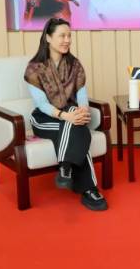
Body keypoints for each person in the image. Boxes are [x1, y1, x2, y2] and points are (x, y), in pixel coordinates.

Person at [24, 17, 108, 211]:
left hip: (70, 114)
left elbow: (82, 95)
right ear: (48, 38)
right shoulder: (34, 68)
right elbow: (42, 104)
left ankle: (66, 169)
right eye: (62, 36)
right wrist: (67, 116)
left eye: (69, 36)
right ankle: (89, 190)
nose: (67, 40)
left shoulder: (74, 64)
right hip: (45, 118)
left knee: (76, 122)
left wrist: (83, 110)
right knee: (77, 127)